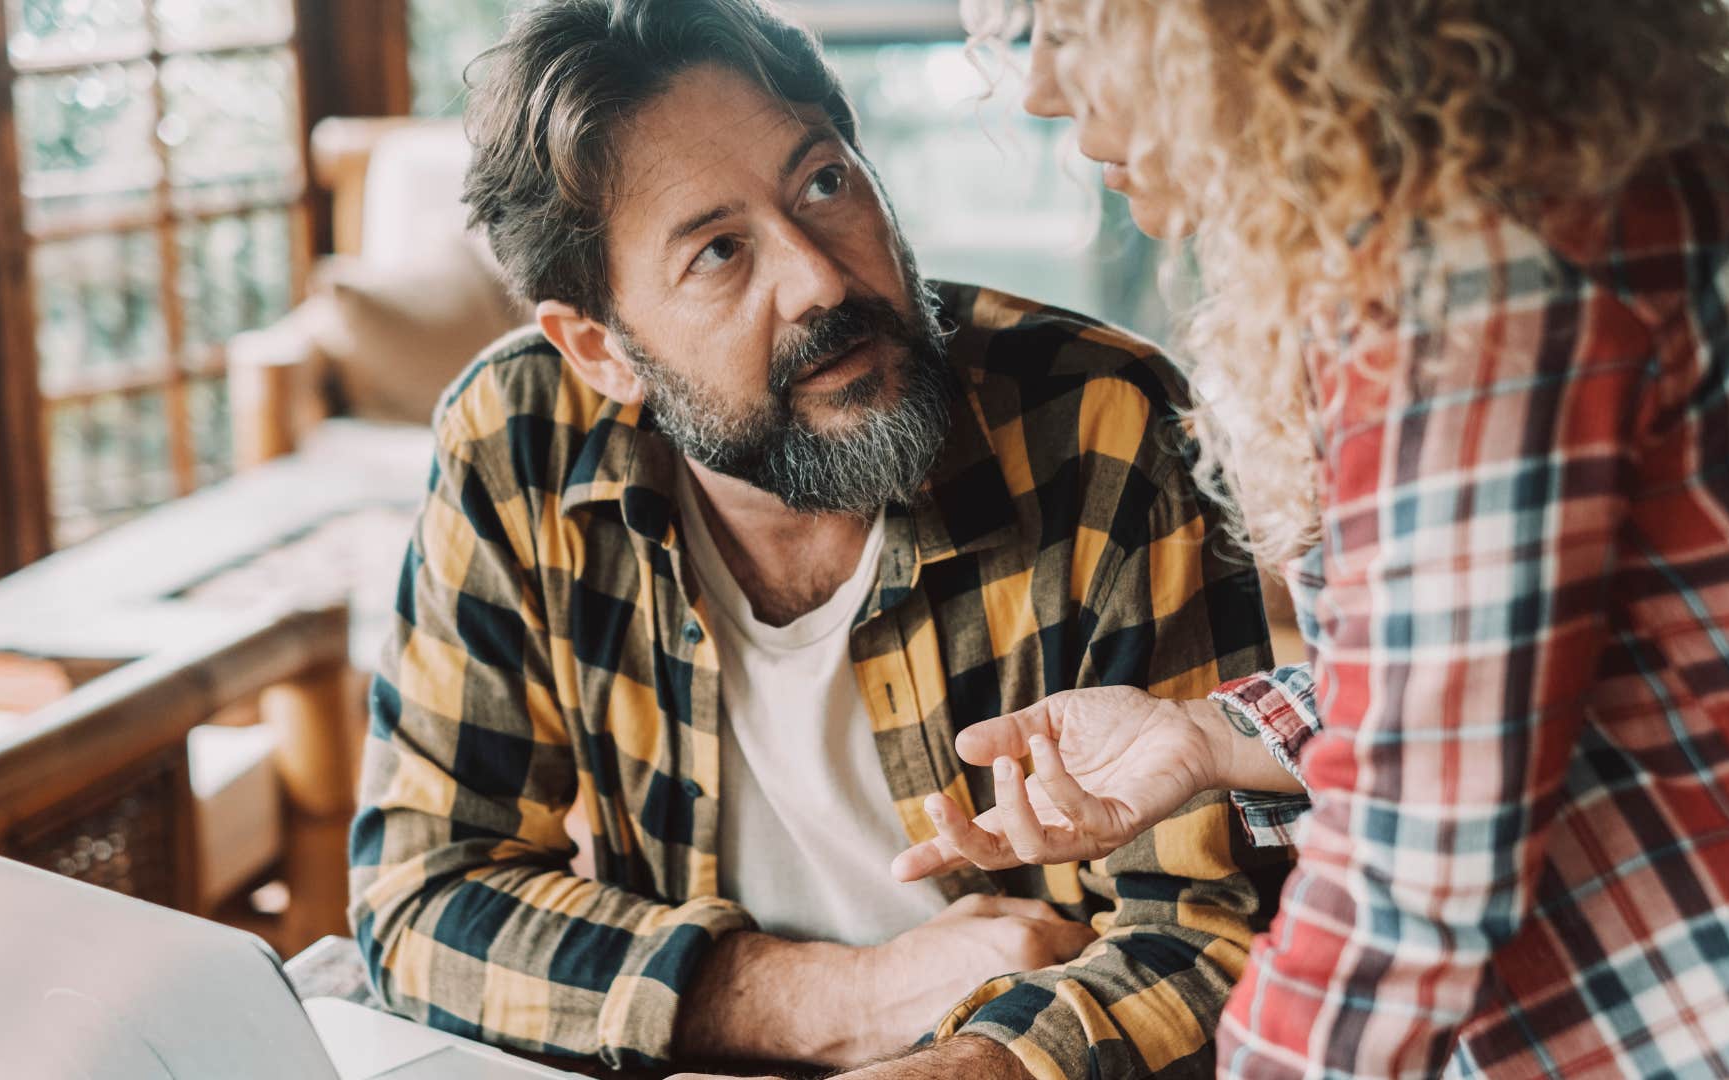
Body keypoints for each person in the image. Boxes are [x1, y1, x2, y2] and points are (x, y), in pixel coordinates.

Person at [347, 1, 1290, 1078]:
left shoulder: (1102, 419)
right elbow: (421, 898)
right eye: (717, 252)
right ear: (600, 349)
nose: (822, 280)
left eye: (824, 185)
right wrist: (839, 998)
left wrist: (972, 1063)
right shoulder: (516, 440)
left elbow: (1206, 929)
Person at [896, 1, 1729, 1076]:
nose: (1042, 89)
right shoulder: (1535, 207)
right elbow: (1518, 680)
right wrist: (1208, 738)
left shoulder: (1475, 282)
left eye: (1075, 31)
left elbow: (1414, 875)